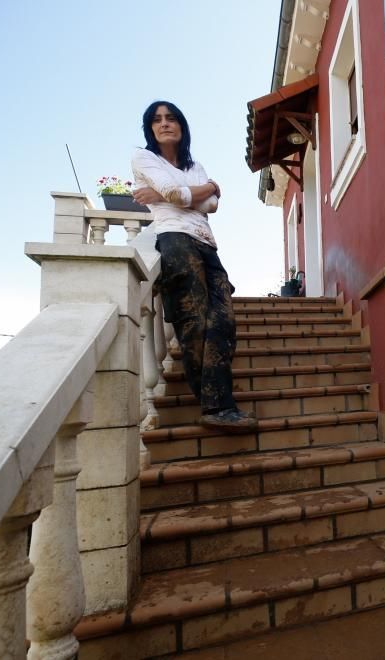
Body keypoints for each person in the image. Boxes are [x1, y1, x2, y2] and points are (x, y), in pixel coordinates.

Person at [131, 101, 256, 431]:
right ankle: (216, 405)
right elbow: (178, 194)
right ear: (150, 129)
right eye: (156, 120)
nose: (164, 124)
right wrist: (209, 186)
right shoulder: (144, 158)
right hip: (174, 239)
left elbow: (209, 207)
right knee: (194, 320)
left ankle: (218, 403)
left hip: (207, 244)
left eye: (171, 118)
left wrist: (163, 194)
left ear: (182, 126)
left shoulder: (194, 164)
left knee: (224, 320)